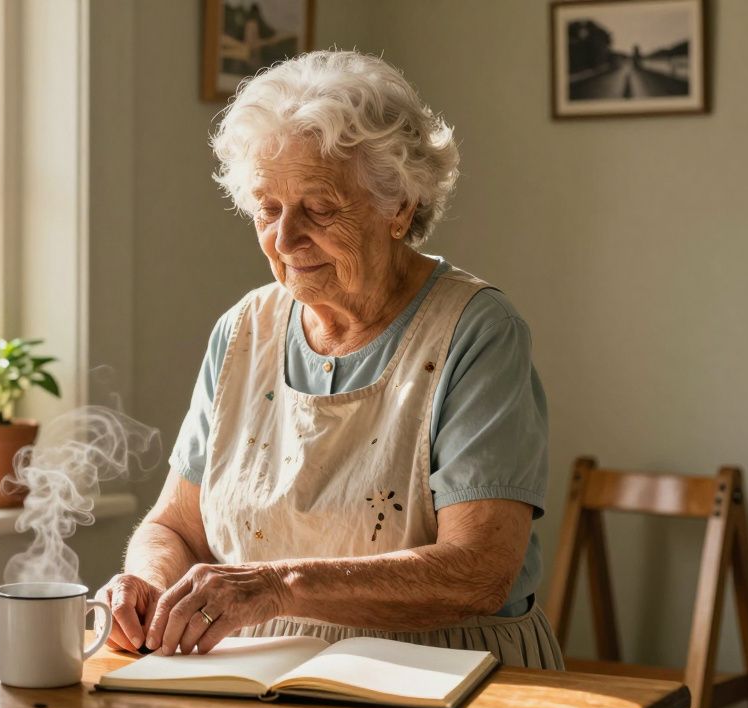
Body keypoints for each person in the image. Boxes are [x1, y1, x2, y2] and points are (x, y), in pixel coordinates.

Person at [99, 50, 561, 669]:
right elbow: (176, 528)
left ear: (398, 207)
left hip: (446, 673)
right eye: (267, 207)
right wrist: (148, 585)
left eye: (318, 208)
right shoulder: (244, 331)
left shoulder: (475, 331)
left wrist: (276, 586)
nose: (284, 239)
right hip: (254, 677)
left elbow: (476, 572)